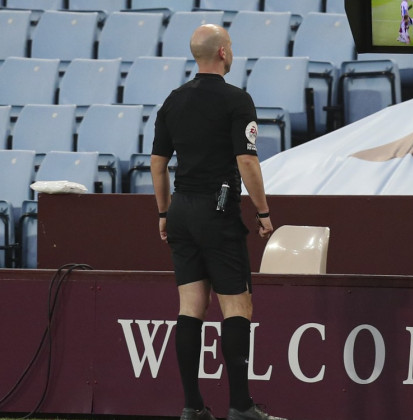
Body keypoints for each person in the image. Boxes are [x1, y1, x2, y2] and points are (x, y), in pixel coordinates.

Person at [151, 24, 286, 420]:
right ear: (224, 52)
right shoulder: (236, 100)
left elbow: (158, 166)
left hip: (181, 211)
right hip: (218, 209)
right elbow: (247, 161)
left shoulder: (172, 101)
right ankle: (241, 405)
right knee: (236, 307)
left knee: (190, 306)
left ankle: (193, 406)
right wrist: (263, 212)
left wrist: (163, 213)